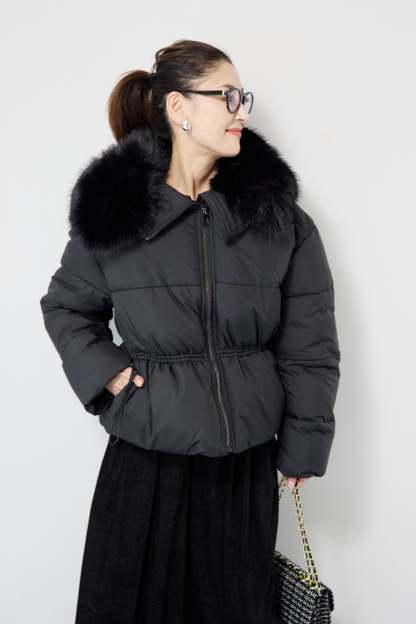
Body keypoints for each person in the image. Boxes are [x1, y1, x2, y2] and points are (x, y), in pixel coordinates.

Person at [39, 38, 341, 624]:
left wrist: (304, 443)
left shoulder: (280, 220)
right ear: (178, 106)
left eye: (244, 98)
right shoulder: (117, 211)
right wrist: (111, 377)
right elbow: (66, 306)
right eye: (227, 96)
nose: (241, 111)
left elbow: (310, 343)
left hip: (242, 467)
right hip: (146, 462)